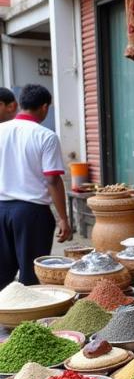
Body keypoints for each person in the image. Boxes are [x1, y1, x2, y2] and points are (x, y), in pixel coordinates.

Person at [0, 84, 72, 287]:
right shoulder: (46, 136)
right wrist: (64, 219)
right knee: (32, 275)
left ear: (20, 105)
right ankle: (28, 316)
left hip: (1, 208)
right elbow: (52, 180)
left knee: (2, 273)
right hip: (31, 214)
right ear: (44, 107)